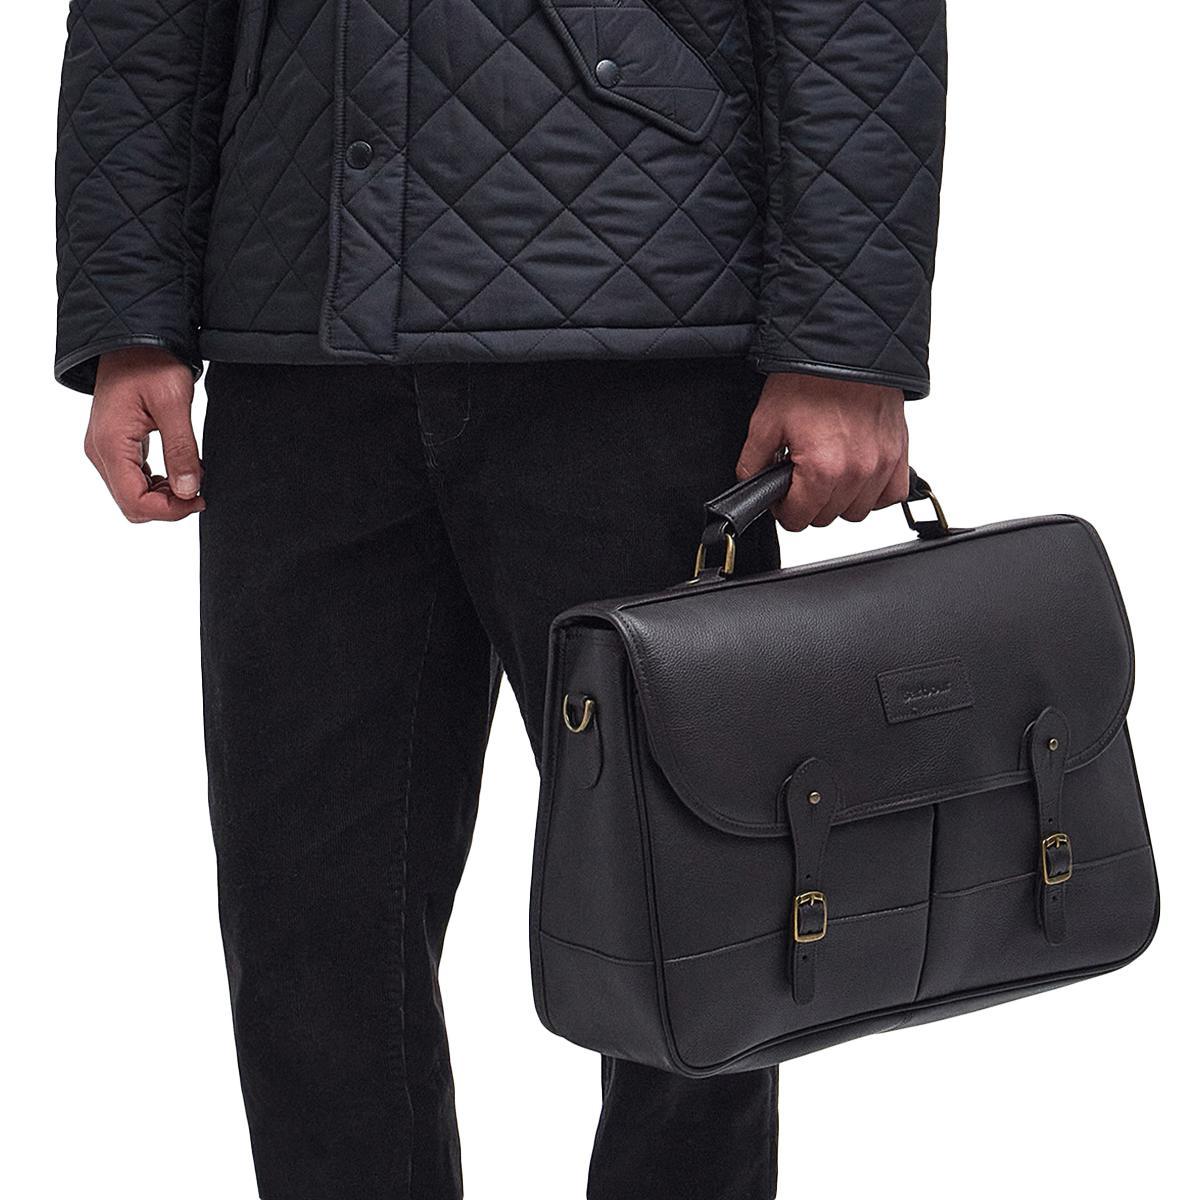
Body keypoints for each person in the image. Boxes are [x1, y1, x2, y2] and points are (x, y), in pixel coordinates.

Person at [55, 2, 946, 1197]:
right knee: (306, 931)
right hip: (299, 334)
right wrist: (128, 310)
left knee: (698, 921)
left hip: (638, 324)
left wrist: (844, 341)